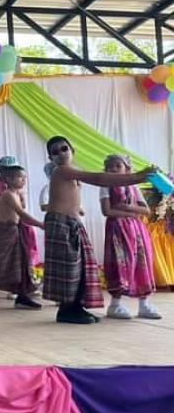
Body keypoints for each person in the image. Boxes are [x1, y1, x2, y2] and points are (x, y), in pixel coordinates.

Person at [43, 137, 155, 324]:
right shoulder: (62, 170)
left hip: (72, 223)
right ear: (51, 158)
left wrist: (137, 179)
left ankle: (76, 307)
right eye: (55, 152)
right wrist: (137, 176)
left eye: (64, 148)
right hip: (61, 222)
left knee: (81, 267)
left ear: (72, 150)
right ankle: (67, 310)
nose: (61, 153)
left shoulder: (71, 172)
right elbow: (98, 178)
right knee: (69, 268)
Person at [100, 154, 161, 320]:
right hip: (117, 230)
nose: (113, 169)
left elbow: (146, 210)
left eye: (117, 166)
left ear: (127, 169)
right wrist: (130, 213)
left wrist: (126, 208)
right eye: (110, 166)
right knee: (120, 264)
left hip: (136, 230)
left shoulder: (133, 187)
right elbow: (107, 211)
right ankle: (115, 305)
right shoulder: (105, 186)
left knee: (142, 262)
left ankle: (144, 304)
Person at [0, 165, 44, 310]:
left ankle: (22, 297)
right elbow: (22, 214)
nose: (24, 180)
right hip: (4, 231)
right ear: (9, 179)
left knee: (21, 263)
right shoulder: (8, 194)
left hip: (15, 230)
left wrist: (22, 196)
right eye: (20, 177)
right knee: (0, 263)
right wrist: (40, 224)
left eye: (24, 177)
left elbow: (22, 209)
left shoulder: (17, 194)